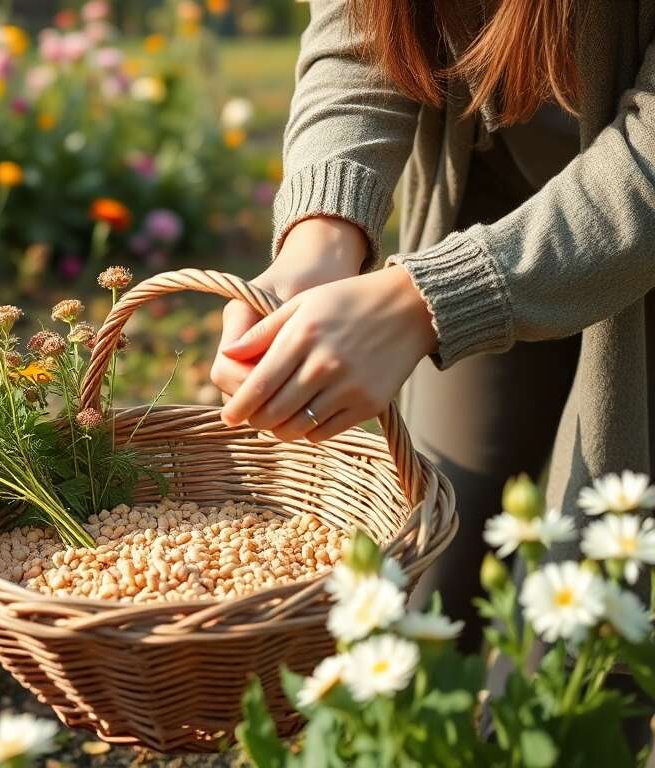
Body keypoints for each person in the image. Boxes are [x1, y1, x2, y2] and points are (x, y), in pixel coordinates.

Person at [210, 0, 655, 650]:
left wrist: (428, 302)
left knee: (579, 643)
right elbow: (363, 35)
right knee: (427, 590)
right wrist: (320, 237)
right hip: (490, 188)